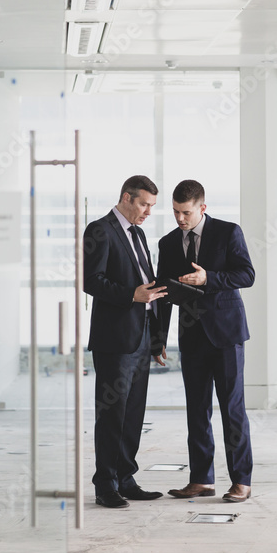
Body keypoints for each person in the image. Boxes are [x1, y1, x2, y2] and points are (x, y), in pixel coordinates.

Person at [154, 179, 255, 503]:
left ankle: (241, 480)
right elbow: (163, 295)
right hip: (192, 337)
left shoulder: (229, 232)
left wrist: (209, 278)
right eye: (175, 212)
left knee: (232, 409)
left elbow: (246, 275)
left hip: (226, 335)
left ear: (202, 208)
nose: (180, 218)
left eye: (185, 212)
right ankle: (201, 479)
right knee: (196, 410)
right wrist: (159, 341)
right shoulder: (168, 243)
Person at [83, 175, 168, 508]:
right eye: (144, 204)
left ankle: (125, 477)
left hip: (142, 334)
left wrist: (157, 337)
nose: (148, 212)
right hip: (115, 338)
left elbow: (148, 286)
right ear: (126, 198)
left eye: (152, 206)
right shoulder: (100, 230)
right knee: (112, 414)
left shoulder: (139, 233)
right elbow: (91, 281)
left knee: (133, 413)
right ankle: (105, 484)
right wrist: (129, 295)